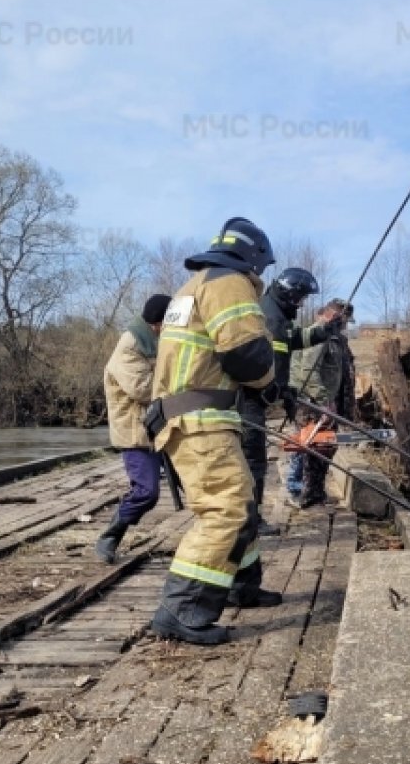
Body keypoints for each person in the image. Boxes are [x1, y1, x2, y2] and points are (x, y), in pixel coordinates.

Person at [144, 217, 281, 646]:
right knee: (226, 509)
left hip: (192, 415)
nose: (259, 278)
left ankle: (242, 585)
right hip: (199, 418)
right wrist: (271, 384)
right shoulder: (229, 282)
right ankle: (180, 610)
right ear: (253, 259)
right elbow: (246, 355)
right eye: (260, 270)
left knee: (241, 504)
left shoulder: (195, 286)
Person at [239, 267, 335, 512]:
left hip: (254, 399)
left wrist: (323, 332)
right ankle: (251, 520)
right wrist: (280, 391)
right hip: (248, 401)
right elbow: (274, 363)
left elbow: (295, 339)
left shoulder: (278, 315)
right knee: (253, 462)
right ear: (290, 295)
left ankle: (251, 518)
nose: (302, 305)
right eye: (300, 299)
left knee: (254, 460)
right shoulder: (272, 319)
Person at [95, 293, 172, 563]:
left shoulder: (156, 341)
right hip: (136, 431)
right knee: (146, 492)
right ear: (156, 323)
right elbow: (143, 389)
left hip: (162, 427)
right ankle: (110, 536)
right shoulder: (130, 346)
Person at [289, 299, 353, 508]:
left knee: (325, 448)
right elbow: (308, 371)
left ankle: (315, 492)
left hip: (327, 402)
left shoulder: (337, 339)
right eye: (344, 320)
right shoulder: (318, 335)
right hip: (312, 403)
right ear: (335, 315)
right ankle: (304, 494)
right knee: (313, 447)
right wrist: (324, 402)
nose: (346, 324)